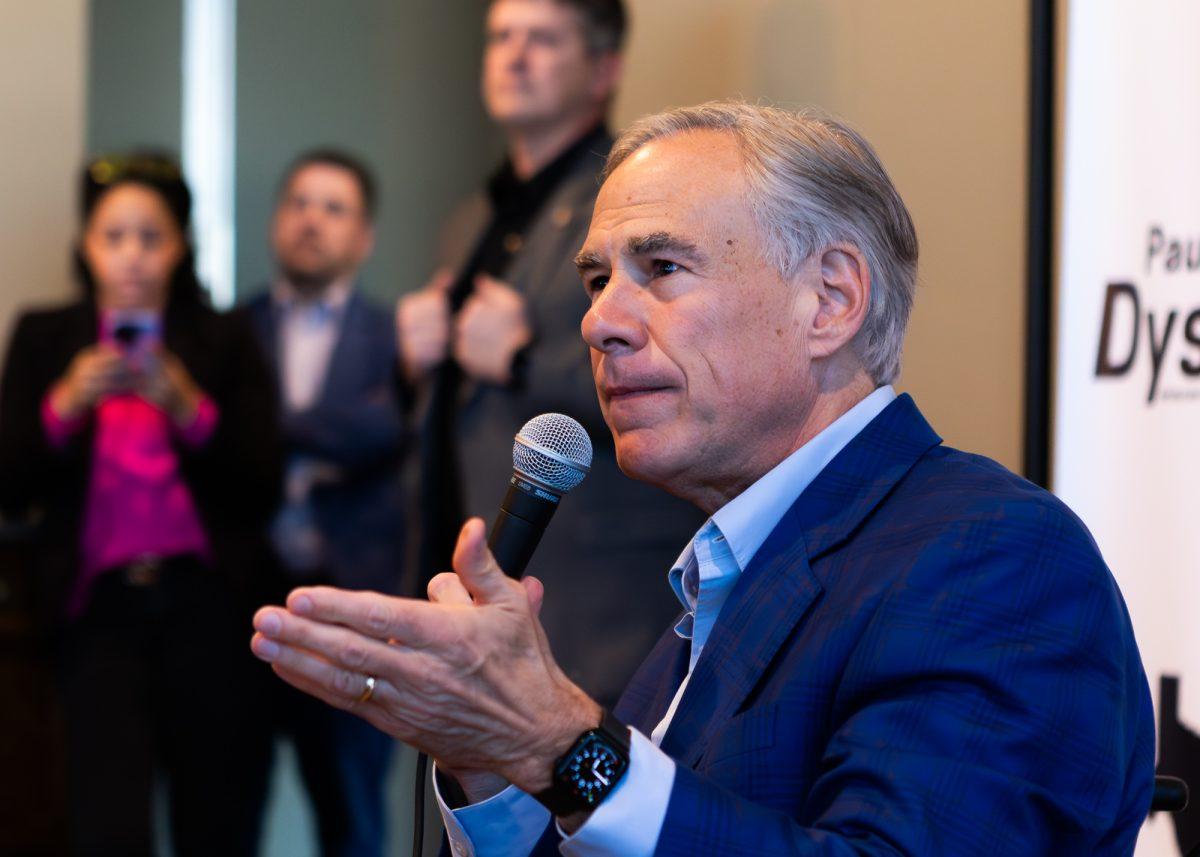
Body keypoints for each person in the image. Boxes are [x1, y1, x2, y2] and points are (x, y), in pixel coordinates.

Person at [251, 102, 1156, 855]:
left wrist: (563, 744)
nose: (600, 319)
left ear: (831, 301)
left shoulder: (991, 554)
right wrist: (494, 762)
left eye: (663, 267)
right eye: (598, 277)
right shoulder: (727, 571)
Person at [397, 0, 701, 707]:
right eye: (501, 36)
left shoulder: (638, 201)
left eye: (543, 38)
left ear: (604, 69)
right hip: (478, 563)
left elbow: (687, 369)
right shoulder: (471, 217)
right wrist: (414, 366)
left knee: (588, 807)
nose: (514, 54)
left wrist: (524, 357)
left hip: (599, 590)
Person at [0, 153, 280, 856]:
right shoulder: (45, 335)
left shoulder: (223, 336)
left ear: (180, 247)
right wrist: (62, 407)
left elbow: (260, 485)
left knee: (218, 820)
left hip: (211, 609)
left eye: (150, 237)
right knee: (105, 823)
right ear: (85, 245)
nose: (131, 255)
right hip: (95, 614)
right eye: (113, 236)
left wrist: (188, 406)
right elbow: (9, 483)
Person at [244, 149, 405, 857]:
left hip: (355, 610)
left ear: (364, 237)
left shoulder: (396, 339)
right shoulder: (230, 330)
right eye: (298, 203)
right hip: (238, 606)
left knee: (353, 819)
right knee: (226, 810)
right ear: (277, 221)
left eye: (333, 207)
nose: (312, 220)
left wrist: (272, 429)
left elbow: (386, 433)